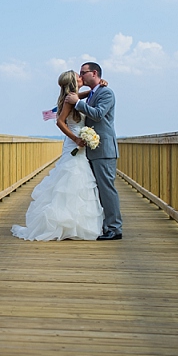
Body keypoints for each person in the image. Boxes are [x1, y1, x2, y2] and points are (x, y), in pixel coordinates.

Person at [11, 71, 104, 241]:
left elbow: (81, 96)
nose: (82, 78)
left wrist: (95, 89)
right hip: (74, 143)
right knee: (72, 178)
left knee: (78, 180)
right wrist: (76, 138)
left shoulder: (72, 97)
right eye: (79, 77)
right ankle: (66, 223)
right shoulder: (70, 99)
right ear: (73, 82)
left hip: (78, 143)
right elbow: (59, 121)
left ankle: (73, 223)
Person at [65, 61, 123, 241]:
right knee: (98, 189)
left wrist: (77, 103)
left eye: (84, 73)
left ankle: (114, 228)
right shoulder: (93, 93)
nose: (81, 77)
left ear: (94, 73)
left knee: (107, 189)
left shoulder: (106, 93)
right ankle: (105, 225)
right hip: (93, 150)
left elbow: (98, 114)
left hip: (104, 149)